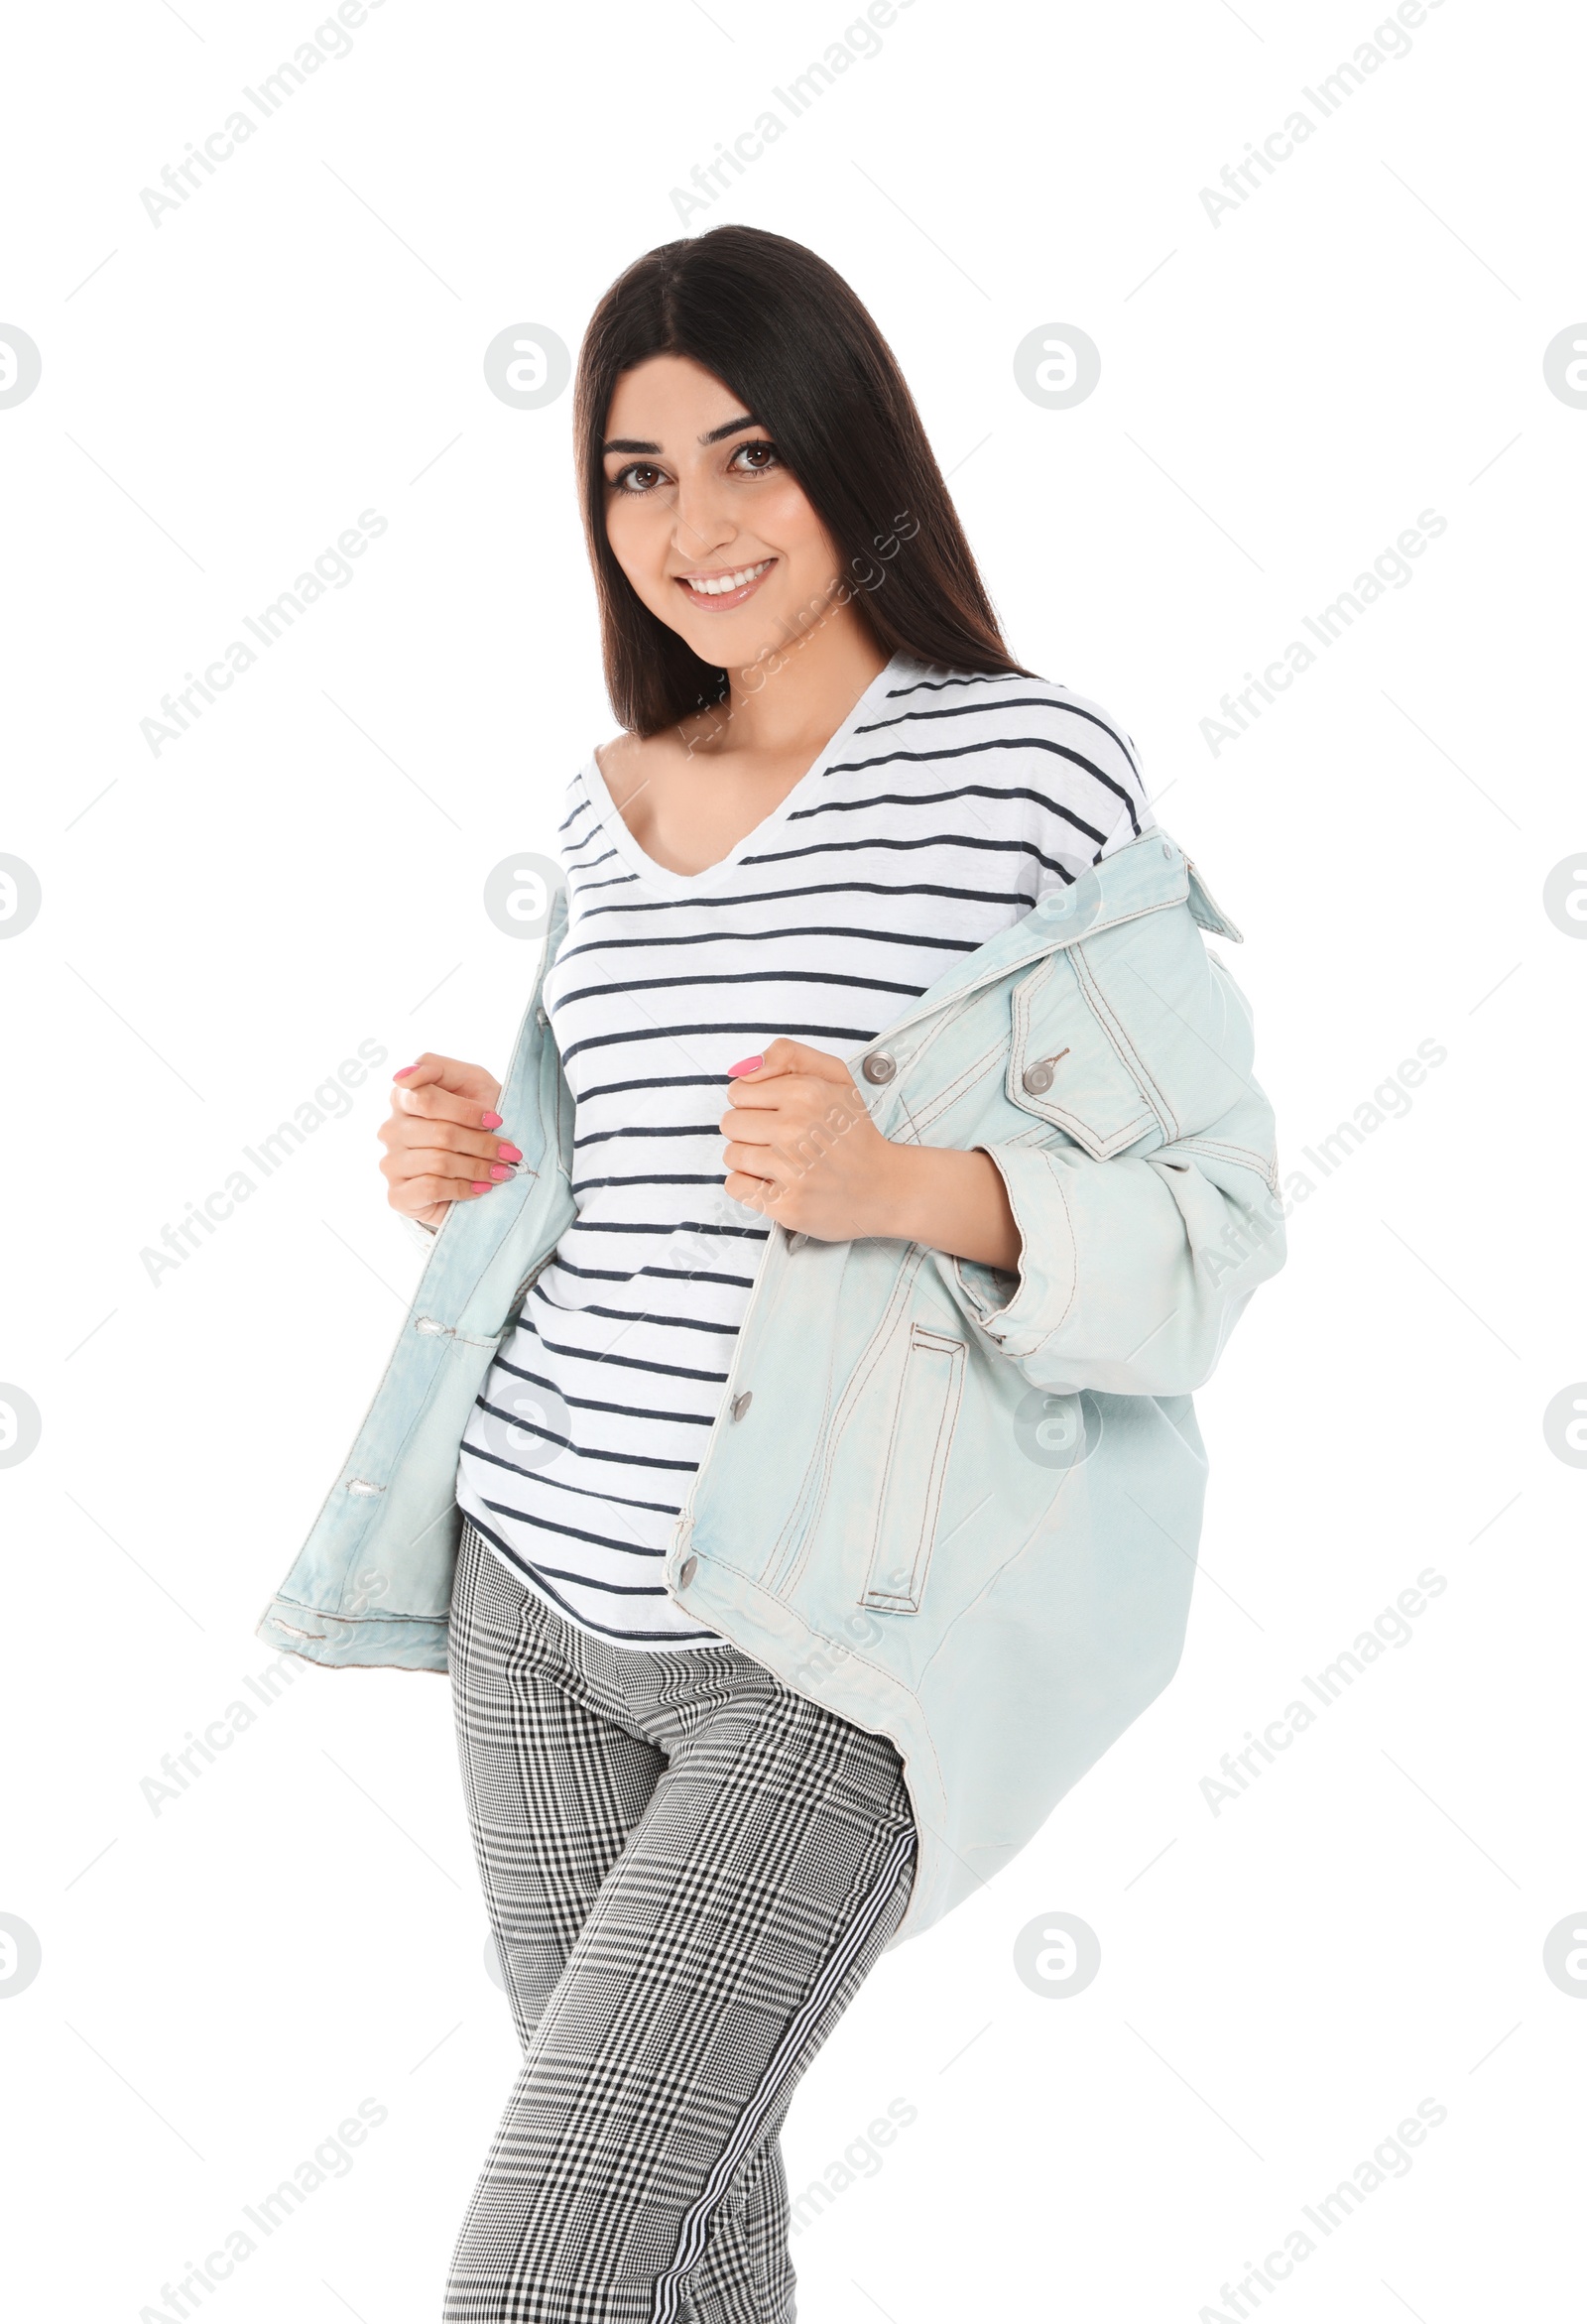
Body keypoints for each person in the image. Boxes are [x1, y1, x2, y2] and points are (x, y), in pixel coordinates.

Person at [258, 223, 1284, 2323]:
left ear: (848, 459)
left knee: (538, 2270)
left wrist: (915, 1182)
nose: (695, 524)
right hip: (528, 1592)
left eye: (747, 458)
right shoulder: (610, 799)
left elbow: (1211, 1222)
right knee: (690, 2244)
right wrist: (476, 1157)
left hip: (821, 1646)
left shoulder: (1026, 771)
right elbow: (623, 1183)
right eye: (636, 475)